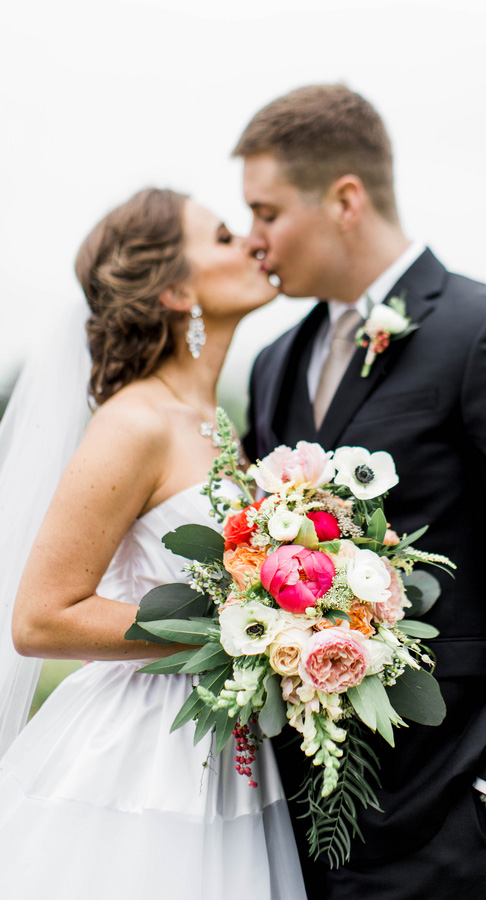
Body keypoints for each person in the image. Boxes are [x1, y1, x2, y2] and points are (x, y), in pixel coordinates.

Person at [234, 84, 486, 900]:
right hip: (286, 807)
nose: (253, 240)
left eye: (266, 212)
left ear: (345, 199)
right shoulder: (272, 364)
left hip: (442, 795)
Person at [0, 188, 306, 900]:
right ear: (174, 289)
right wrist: (241, 630)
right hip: (140, 753)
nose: (254, 245)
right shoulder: (134, 422)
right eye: (227, 237)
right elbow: (42, 617)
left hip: (230, 749)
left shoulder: (216, 421)